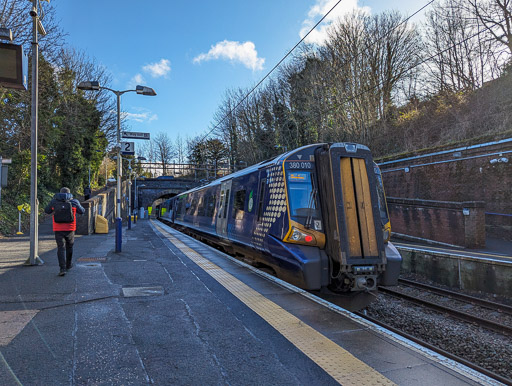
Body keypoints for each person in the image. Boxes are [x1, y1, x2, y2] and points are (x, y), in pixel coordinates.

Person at [44, 187, 85, 276]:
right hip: (70, 228)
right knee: (69, 247)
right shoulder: (74, 202)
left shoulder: (54, 202)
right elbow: (82, 211)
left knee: (60, 248)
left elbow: (47, 210)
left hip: (58, 228)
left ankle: (62, 268)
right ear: (69, 193)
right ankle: (68, 265)